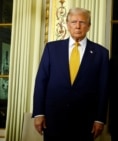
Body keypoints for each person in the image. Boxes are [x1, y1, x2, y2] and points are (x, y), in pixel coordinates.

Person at [32, 7, 109, 141]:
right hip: (54, 119)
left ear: (89, 26)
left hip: (86, 122)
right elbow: (41, 81)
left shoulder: (101, 53)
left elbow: (104, 88)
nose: (77, 26)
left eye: (82, 22)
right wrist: (38, 113)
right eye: (73, 22)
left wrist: (100, 119)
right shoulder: (51, 48)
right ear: (67, 25)